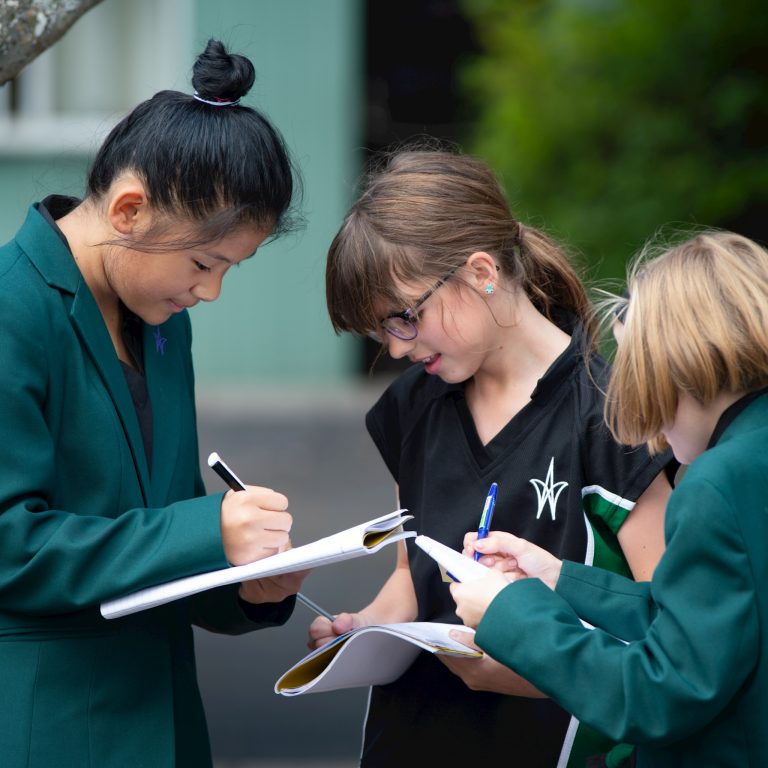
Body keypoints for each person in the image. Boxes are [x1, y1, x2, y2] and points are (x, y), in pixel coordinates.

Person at [0, 39, 307, 768]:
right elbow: (10, 544)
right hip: (47, 724)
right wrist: (205, 533)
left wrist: (247, 585)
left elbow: (159, 529)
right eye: (204, 263)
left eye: (230, 269)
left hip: (165, 722)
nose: (211, 291)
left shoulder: (164, 326)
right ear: (130, 208)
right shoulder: (11, 307)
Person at [313, 146, 674, 767]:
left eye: (404, 317)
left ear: (480, 270)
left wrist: (533, 667)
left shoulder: (616, 415)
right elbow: (411, 575)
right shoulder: (413, 406)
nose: (396, 349)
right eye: (380, 332)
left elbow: (667, 636)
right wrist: (364, 628)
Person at [450, 230, 768, 767]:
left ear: (679, 361)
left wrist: (511, 611)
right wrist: (558, 578)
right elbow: (706, 622)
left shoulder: (716, 484)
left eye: (635, 366)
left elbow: (659, 693)